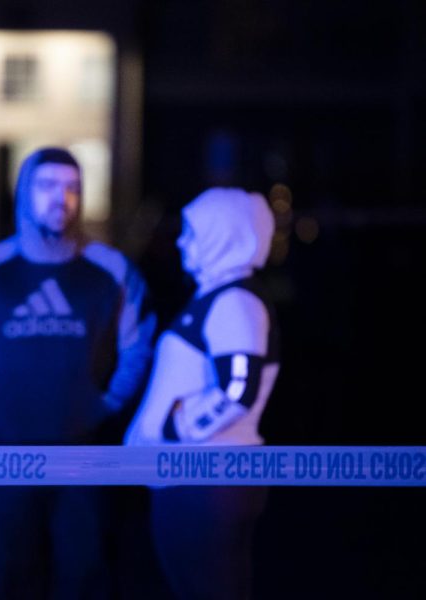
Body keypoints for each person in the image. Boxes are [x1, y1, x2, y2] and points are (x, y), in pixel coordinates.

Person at [0, 147, 156, 599]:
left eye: (72, 187)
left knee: (87, 578)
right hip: (5, 454)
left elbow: (138, 346)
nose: (62, 198)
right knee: (10, 577)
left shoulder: (111, 270)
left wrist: (108, 403)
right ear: (23, 194)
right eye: (47, 186)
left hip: (85, 455)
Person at [124, 187, 280, 600]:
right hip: (197, 479)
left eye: (192, 232)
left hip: (206, 481)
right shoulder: (222, 297)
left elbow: (237, 390)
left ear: (223, 234)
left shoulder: (236, 303)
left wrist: (175, 430)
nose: (179, 242)